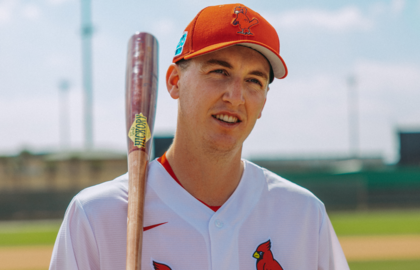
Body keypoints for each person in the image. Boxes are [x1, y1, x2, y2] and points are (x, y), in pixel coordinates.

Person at [50, 3, 349, 270]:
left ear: (264, 103)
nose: (236, 96)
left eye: (253, 81)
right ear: (175, 82)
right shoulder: (96, 216)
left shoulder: (305, 216)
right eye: (219, 72)